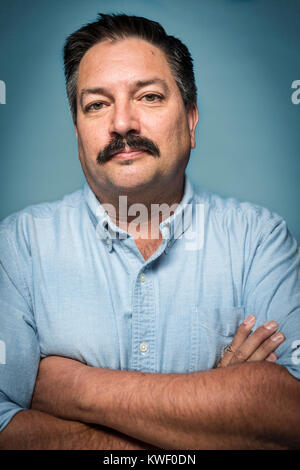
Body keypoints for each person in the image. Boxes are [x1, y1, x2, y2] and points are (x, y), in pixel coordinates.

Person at [0, 13, 299, 450]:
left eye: (150, 96)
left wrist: (70, 386)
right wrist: (215, 411)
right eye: (96, 104)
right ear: (77, 131)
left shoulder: (259, 239)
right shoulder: (18, 246)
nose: (122, 124)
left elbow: (289, 413)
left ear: (192, 121)